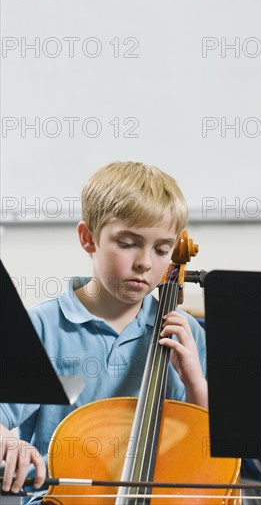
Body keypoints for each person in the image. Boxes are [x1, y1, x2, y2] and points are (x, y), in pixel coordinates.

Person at [0, 161, 207, 498]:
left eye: (162, 249)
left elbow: (207, 443)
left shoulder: (185, 334)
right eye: (127, 243)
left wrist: (194, 382)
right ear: (88, 238)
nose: (145, 262)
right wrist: (9, 442)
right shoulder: (42, 328)